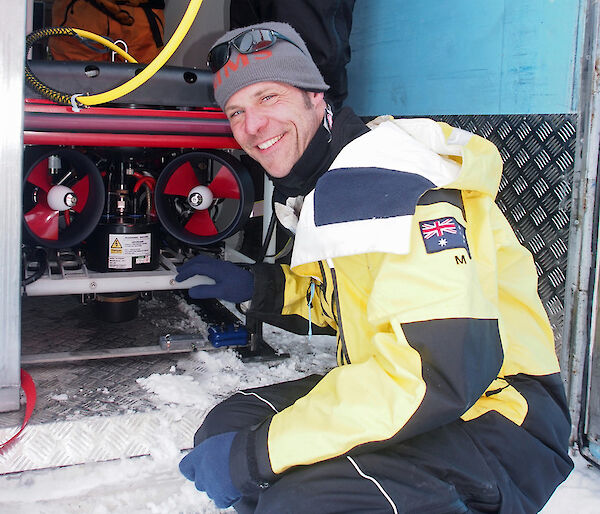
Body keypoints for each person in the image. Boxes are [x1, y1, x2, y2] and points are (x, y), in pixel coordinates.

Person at [176, 22, 573, 513]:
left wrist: (262, 455)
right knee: (230, 427)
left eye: (269, 98)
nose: (253, 125)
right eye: (236, 111)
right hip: (415, 389)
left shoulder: (397, 181)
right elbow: (350, 300)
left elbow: (438, 370)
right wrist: (257, 287)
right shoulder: (335, 180)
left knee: (302, 499)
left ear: (316, 99)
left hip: (495, 416)